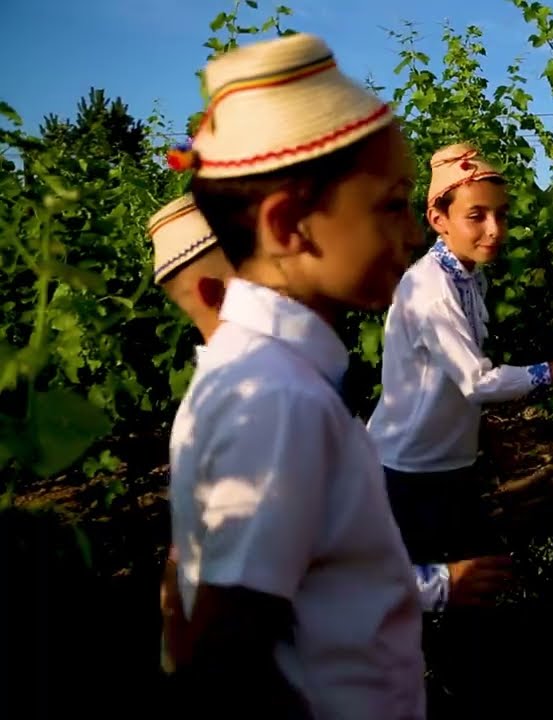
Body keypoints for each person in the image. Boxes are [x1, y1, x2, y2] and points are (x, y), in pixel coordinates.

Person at [167, 33, 426, 717]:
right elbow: (228, 659)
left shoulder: (258, 375)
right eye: (393, 203)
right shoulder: (279, 398)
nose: (413, 232)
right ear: (289, 226)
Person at [365, 143, 553, 569]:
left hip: (447, 460)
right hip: (410, 470)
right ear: (437, 220)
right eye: (476, 216)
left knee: (471, 579)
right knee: (421, 594)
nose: (495, 229)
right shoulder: (431, 290)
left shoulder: (467, 276)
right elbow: (477, 382)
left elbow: (451, 381)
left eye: (501, 214)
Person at [147, 193, 234, 677]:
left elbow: (180, 550)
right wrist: (440, 585)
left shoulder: (200, 403)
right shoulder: (248, 406)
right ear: (211, 291)